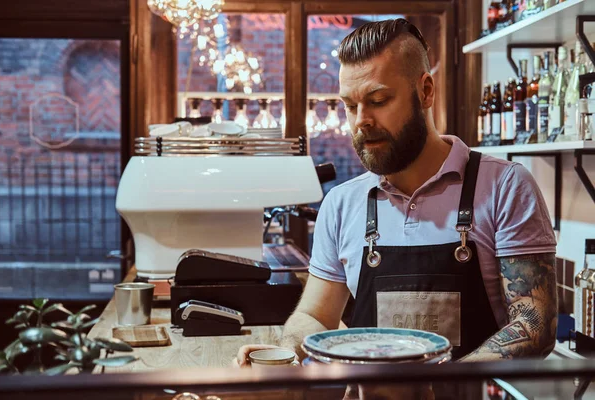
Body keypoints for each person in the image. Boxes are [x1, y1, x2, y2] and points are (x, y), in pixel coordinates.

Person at [235, 18, 557, 367]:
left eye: (378, 100)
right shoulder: (342, 204)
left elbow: (533, 327)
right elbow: (313, 315)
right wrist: (288, 350)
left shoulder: (506, 187)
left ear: (426, 91)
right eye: (350, 105)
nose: (361, 120)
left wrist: (428, 387)